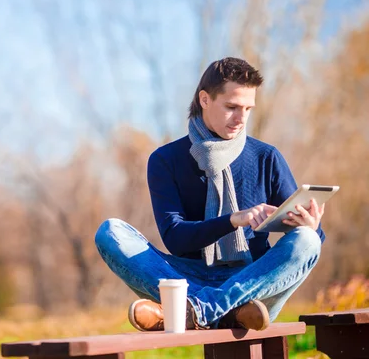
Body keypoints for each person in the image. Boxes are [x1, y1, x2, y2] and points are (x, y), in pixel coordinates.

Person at [94, 57, 325, 331]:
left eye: (248, 108)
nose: (241, 119)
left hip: (252, 281)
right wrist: (232, 220)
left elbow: (307, 245)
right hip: (187, 276)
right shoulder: (166, 159)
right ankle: (228, 312)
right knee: (111, 232)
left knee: (308, 241)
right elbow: (176, 239)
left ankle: (192, 310)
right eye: (231, 107)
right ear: (205, 99)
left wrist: (312, 227)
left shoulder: (266, 157)